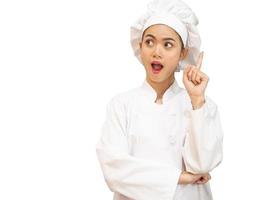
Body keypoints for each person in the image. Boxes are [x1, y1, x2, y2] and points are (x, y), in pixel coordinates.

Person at [95, 0, 223, 199]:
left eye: (168, 44)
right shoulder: (121, 105)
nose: (157, 51)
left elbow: (203, 164)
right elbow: (114, 170)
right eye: (149, 42)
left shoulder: (202, 105)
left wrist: (197, 100)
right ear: (140, 46)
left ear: (183, 53)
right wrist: (180, 177)